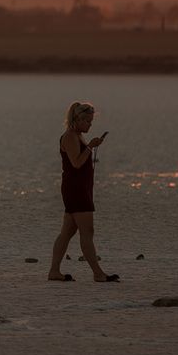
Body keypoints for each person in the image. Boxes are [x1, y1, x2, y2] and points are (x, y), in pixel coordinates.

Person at [47, 101, 119, 282]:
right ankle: (98, 273)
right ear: (77, 119)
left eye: (91, 121)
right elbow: (76, 163)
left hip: (79, 189)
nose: (90, 125)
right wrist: (90, 146)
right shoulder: (70, 136)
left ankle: (54, 271)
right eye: (87, 121)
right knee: (87, 232)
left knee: (67, 233)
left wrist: (91, 145)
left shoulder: (77, 135)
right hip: (76, 190)